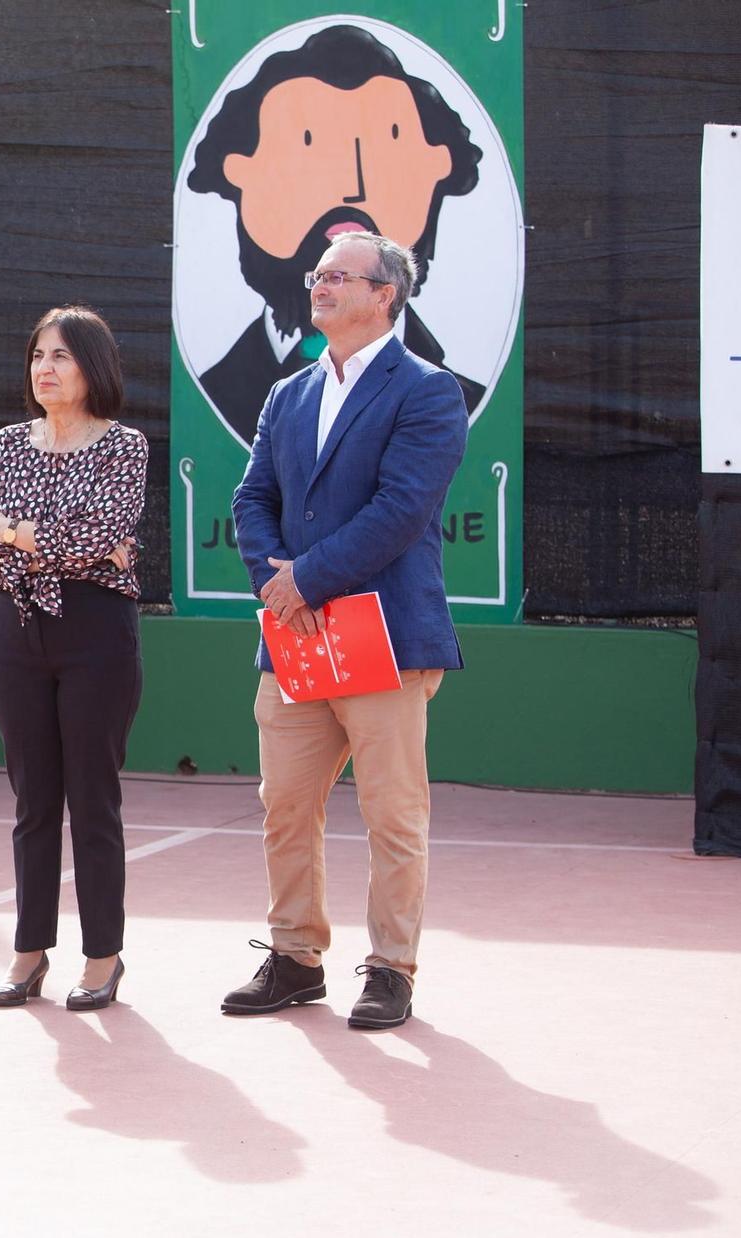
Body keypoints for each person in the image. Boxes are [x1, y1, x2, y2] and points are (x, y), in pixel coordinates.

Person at [225, 230, 467, 1031]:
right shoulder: (286, 393)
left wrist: (305, 578)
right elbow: (252, 498)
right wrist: (274, 580)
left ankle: (392, 967)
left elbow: (400, 510)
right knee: (285, 804)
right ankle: (295, 957)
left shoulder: (428, 391)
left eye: (338, 276)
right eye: (316, 275)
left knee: (394, 813)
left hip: (386, 635)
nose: (319, 285)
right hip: (295, 637)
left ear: (384, 294)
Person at [0, 305, 147, 1012]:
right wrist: (45, 542)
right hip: (15, 628)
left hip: (97, 632)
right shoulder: (8, 443)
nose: (45, 368)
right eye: (38, 355)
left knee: (92, 799)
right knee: (32, 798)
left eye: (62, 356)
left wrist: (13, 531)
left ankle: (102, 957)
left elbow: (103, 531)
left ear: (92, 365)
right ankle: (29, 950)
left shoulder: (123, 446)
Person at [183, 22, 485, 444]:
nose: (352, 189)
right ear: (237, 169)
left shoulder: (444, 394)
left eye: (383, 152)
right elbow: (254, 491)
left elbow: (405, 499)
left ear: (439, 166)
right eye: (306, 150)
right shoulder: (255, 398)